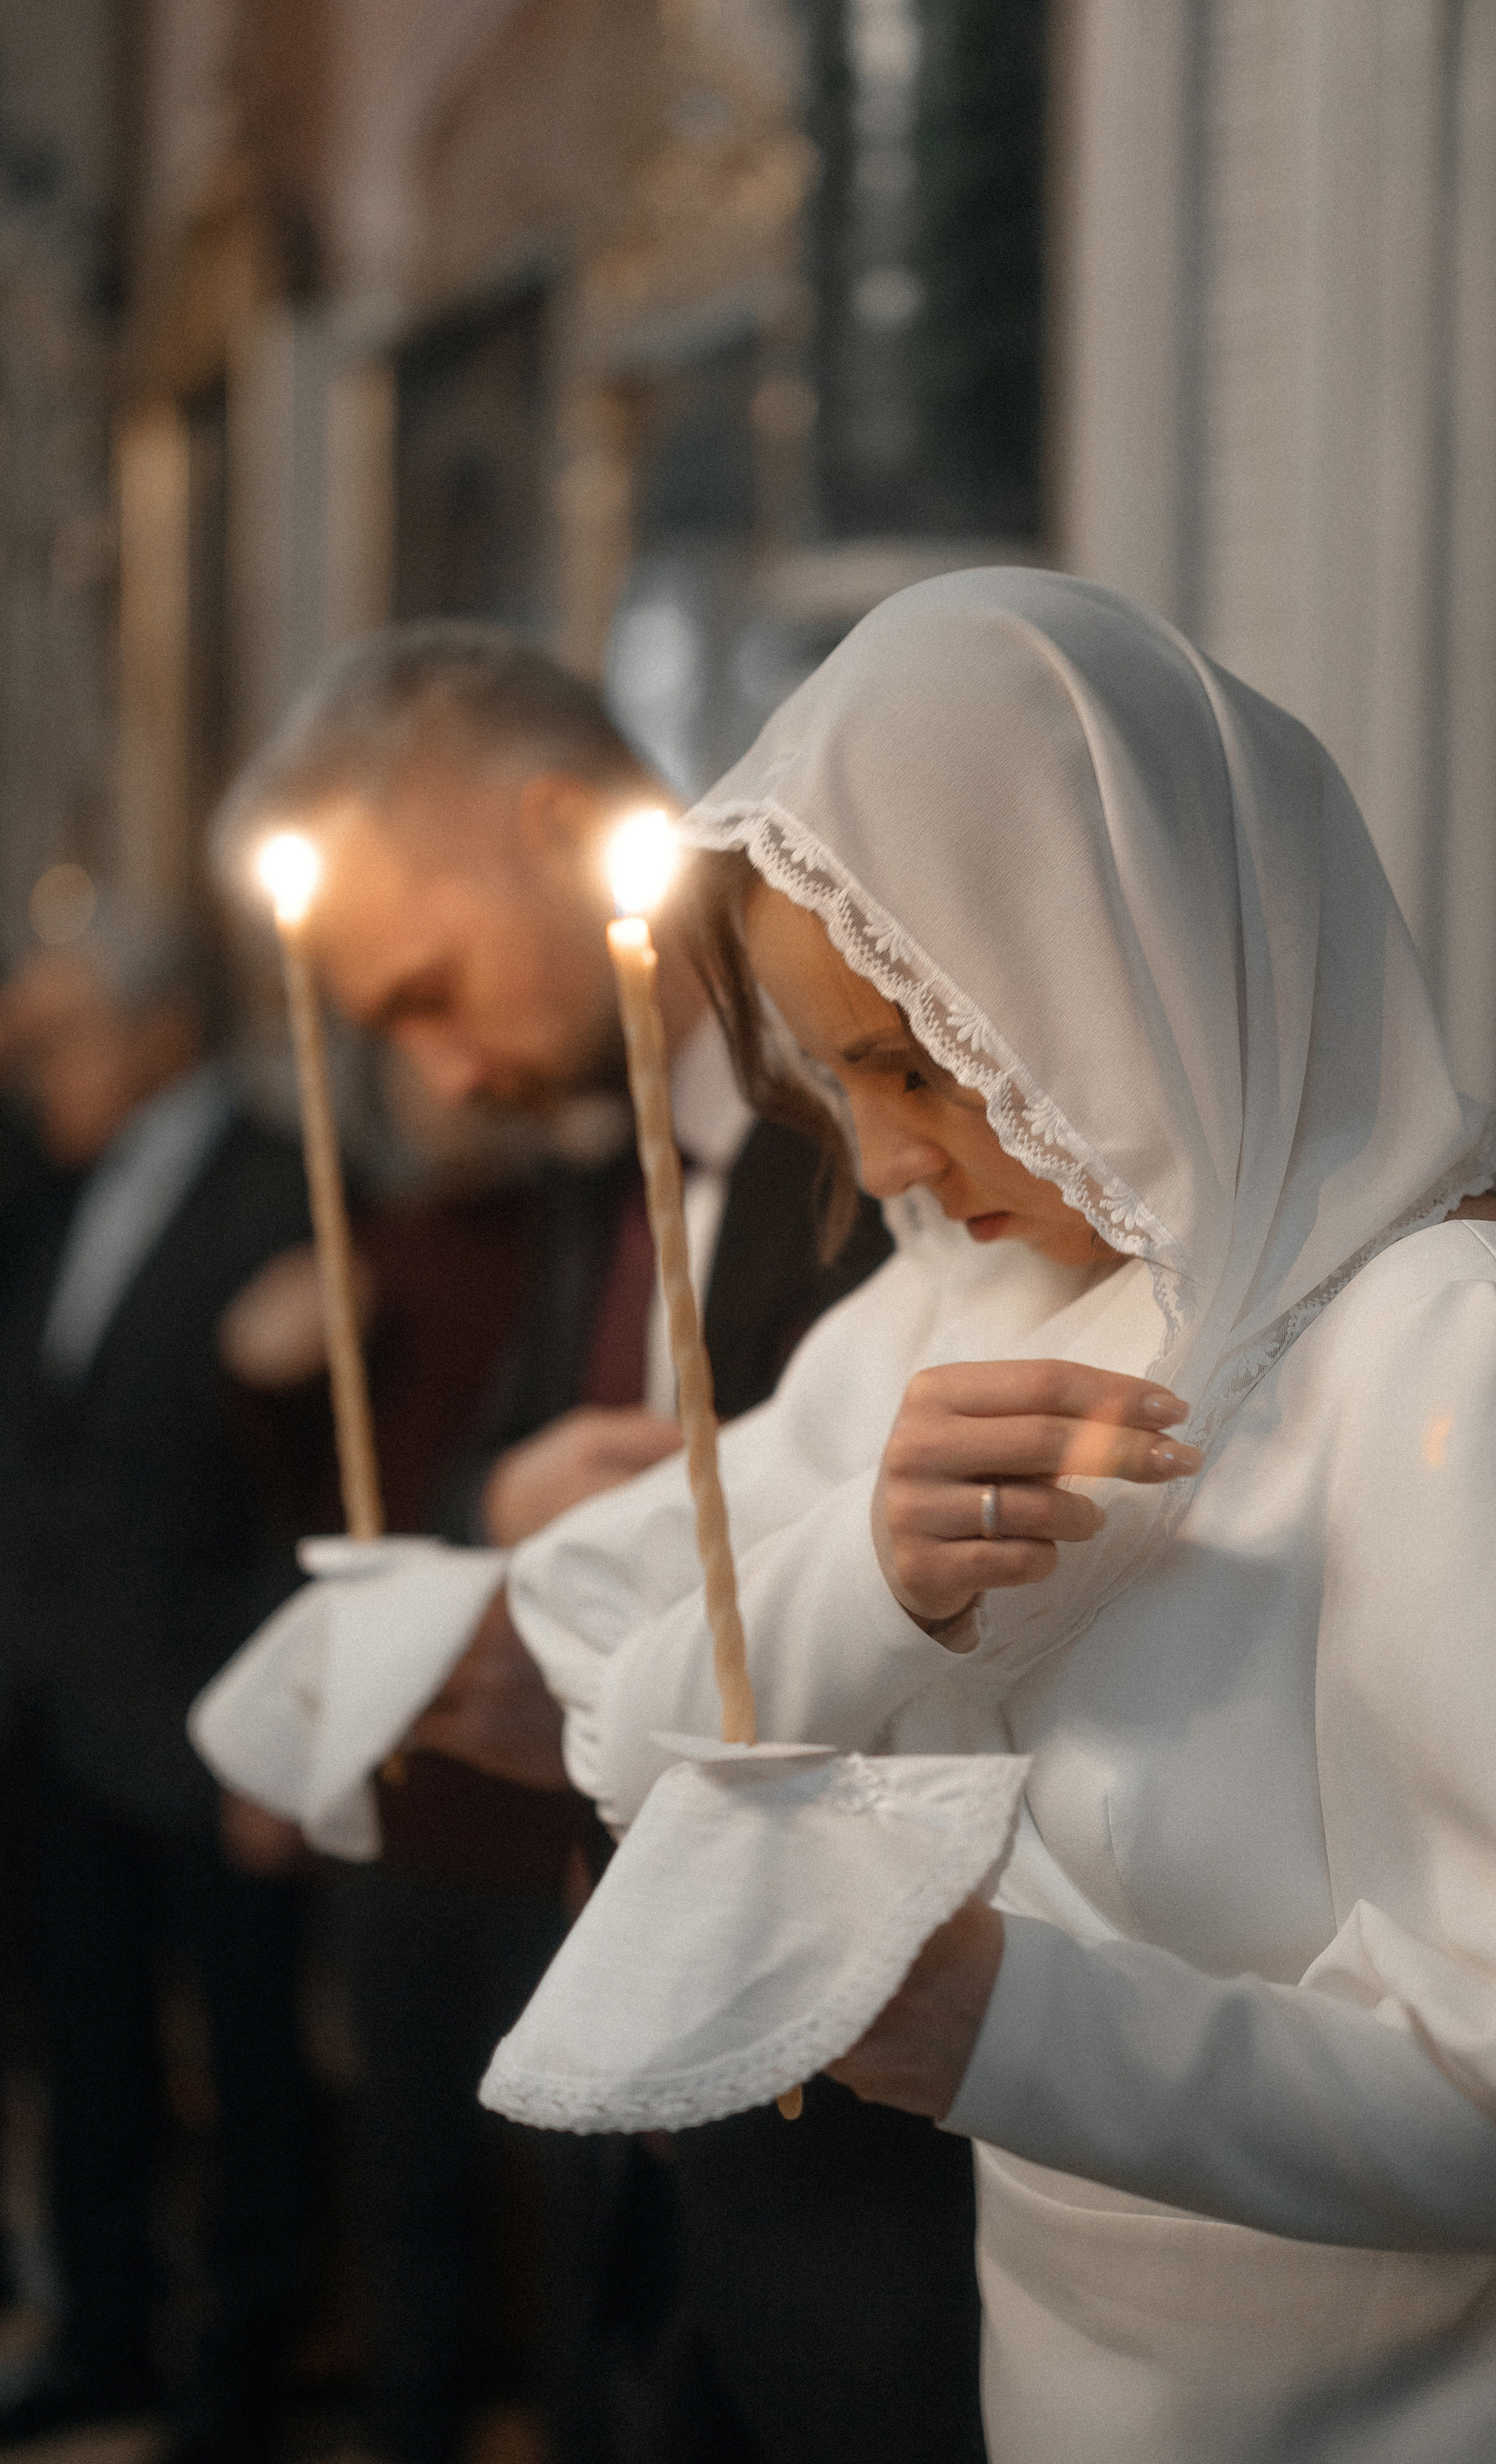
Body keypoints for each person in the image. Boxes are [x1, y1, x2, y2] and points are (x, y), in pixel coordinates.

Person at [505, 568, 1496, 2462]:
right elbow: (619, 1716)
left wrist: (1013, 2026)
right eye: (835, 1081)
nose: (888, 1158)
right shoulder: (978, 1299)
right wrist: (867, 1583)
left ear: (1115, 962)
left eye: (919, 1065)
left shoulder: (1472, 1368)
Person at [211, 624, 977, 2464]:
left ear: (560, 832)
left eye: (427, 991)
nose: (443, 1073)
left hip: (895, 2200)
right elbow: (512, 1493)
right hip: (666, 2170)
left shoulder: (901, 1140)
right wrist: (506, 1541)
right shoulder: (587, 1163)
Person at [0, 923, 317, 2461]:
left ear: (158, 1036)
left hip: (212, 1716)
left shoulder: (285, 1184)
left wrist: (283, 1733)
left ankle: (240, 2368)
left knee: (249, 2060)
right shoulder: (65, 1188)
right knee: (93, 2051)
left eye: (59, 1034)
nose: (28, 1059)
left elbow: (300, 1498)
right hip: (64, 1712)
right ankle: (104, 2336)